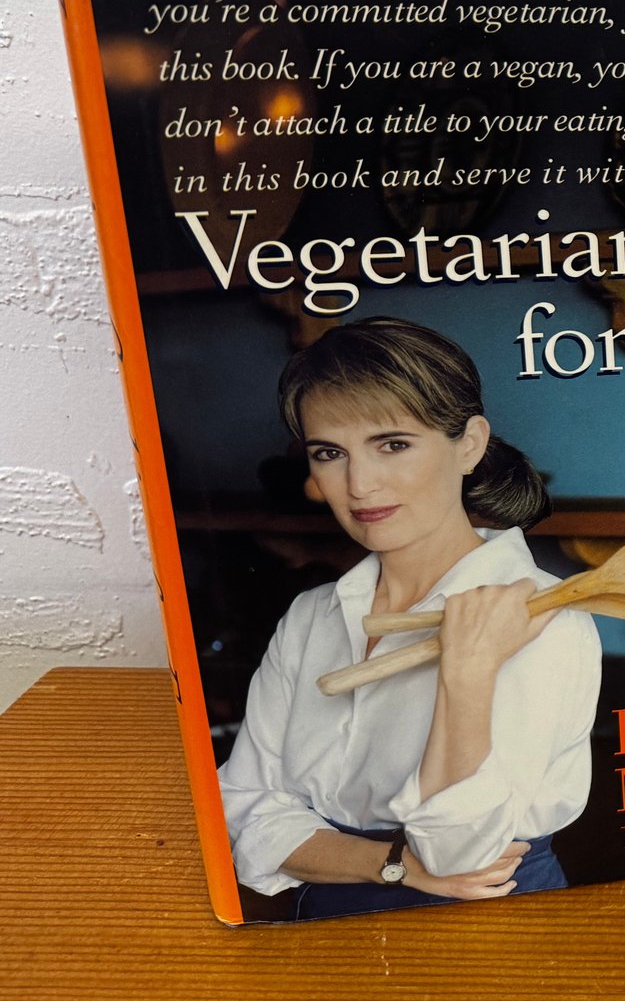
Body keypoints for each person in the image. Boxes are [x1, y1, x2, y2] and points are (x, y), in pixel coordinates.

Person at [218, 317, 601, 919]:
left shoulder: (547, 619)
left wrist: (467, 672)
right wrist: (392, 864)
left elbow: (460, 857)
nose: (359, 484)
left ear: (469, 444)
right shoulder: (312, 615)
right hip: (326, 915)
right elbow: (241, 805)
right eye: (330, 453)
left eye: (393, 444)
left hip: (492, 926)